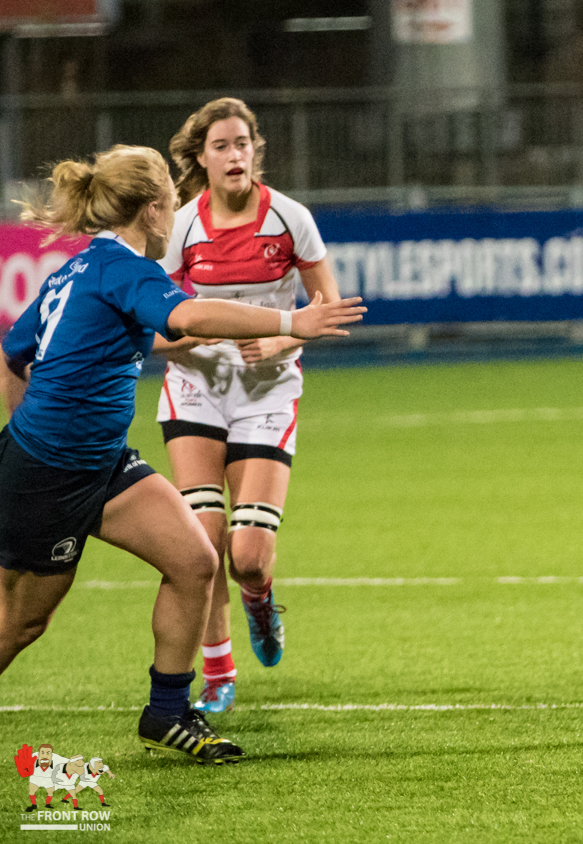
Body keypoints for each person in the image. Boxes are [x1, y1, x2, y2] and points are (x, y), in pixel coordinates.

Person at [0, 144, 364, 764]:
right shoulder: (125, 269)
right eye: (170, 191)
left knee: (196, 561)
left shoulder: (82, 268)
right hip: (50, 475)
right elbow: (185, 312)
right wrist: (290, 325)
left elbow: (14, 353)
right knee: (20, 623)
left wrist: (32, 425)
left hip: (97, 463)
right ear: (151, 210)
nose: (177, 202)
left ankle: (167, 713)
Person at [153, 98, 338, 713]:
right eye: (221, 147)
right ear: (200, 159)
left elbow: (326, 309)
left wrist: (282, 338)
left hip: (267, 391)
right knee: (201, 548)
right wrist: (206, 334)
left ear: (256, 149)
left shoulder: (290, 219)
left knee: (248, 558)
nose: (235, 156)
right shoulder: (181, 227)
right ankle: (218, 675)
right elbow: (153, 330)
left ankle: (260, 603)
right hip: (197, 389)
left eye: (243, 144)